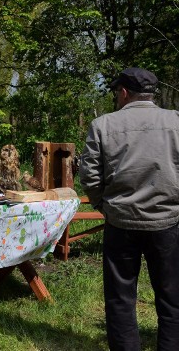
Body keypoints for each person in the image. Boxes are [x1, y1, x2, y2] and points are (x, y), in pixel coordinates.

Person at [79, 67, 179, 350]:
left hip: (121, 223)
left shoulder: (103, 125)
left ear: (124, 92)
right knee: (173, 296)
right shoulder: (176, 121)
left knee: (120, 297)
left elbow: (89, 175)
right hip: (167, 222)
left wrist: (103, 205)